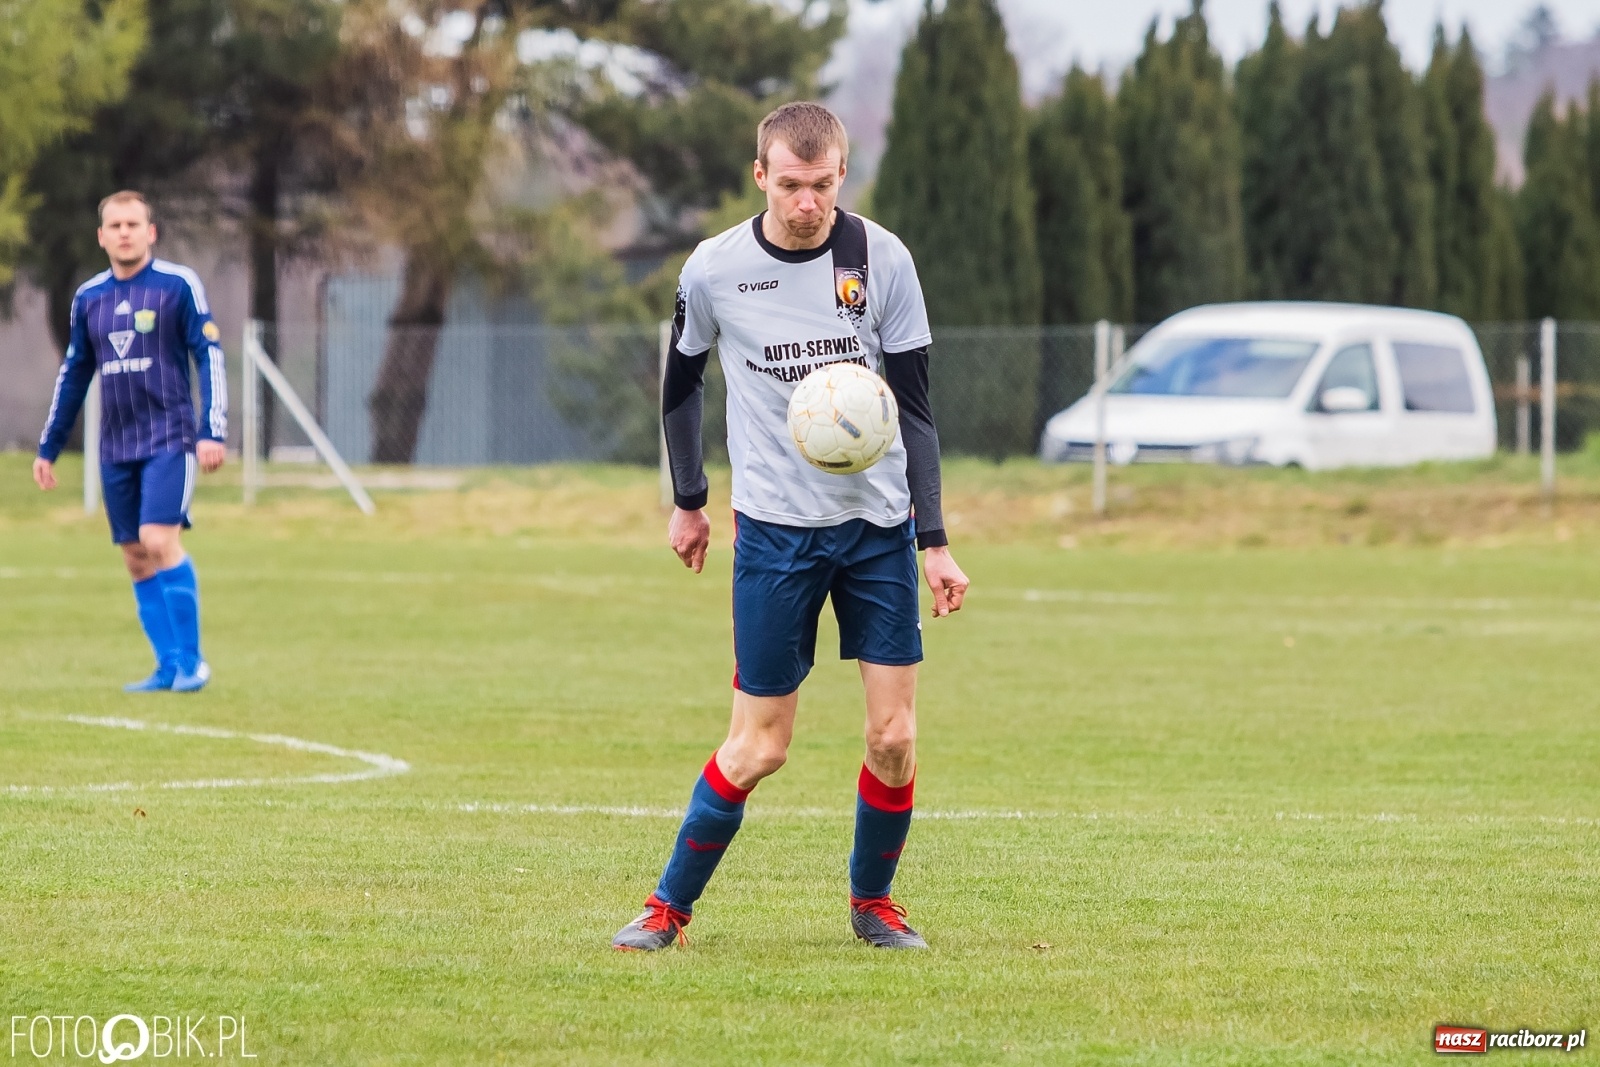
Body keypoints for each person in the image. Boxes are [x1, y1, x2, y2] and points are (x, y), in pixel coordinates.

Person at [612, 102, 969, 952]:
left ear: (841, 175)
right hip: (776, 532)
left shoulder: (881, 259)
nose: (807, 202)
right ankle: (666, 908)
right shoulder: (715, 269)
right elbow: (681, 385)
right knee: (759, 745)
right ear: (760, 176)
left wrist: (934, 540)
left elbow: (917, 410)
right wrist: (690, 498)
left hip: (877, 527)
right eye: (790, 185)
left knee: (894, 736)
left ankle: (873, 903)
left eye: (821, 185)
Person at [33, 190, 228, 693]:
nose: (124, 233)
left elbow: (208, 354)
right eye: (115, 226)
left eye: (133, 224)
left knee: (159, 540)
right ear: (101, 237)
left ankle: (193, 663)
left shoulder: (177, 286)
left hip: (170, 436)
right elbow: (74, 373)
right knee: (135, 555)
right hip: (115, 444)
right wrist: (50, 446)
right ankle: (167, 666)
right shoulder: (89, 298)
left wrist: (212, 430)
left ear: (150, 232)